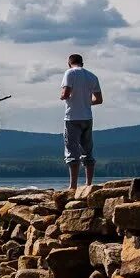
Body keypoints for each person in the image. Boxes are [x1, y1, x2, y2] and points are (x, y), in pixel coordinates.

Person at [60, 53, 103, 189]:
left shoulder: (69, 73)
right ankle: (89, 184)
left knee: (72, 152)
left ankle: (72, 186)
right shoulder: (92, 76)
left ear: (69, 63)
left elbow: (65, 93)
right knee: (87, 151)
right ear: (82, 63)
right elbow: (99, 99)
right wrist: (86, 101)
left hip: (72, 116)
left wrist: (63, 96)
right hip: (87, 117)